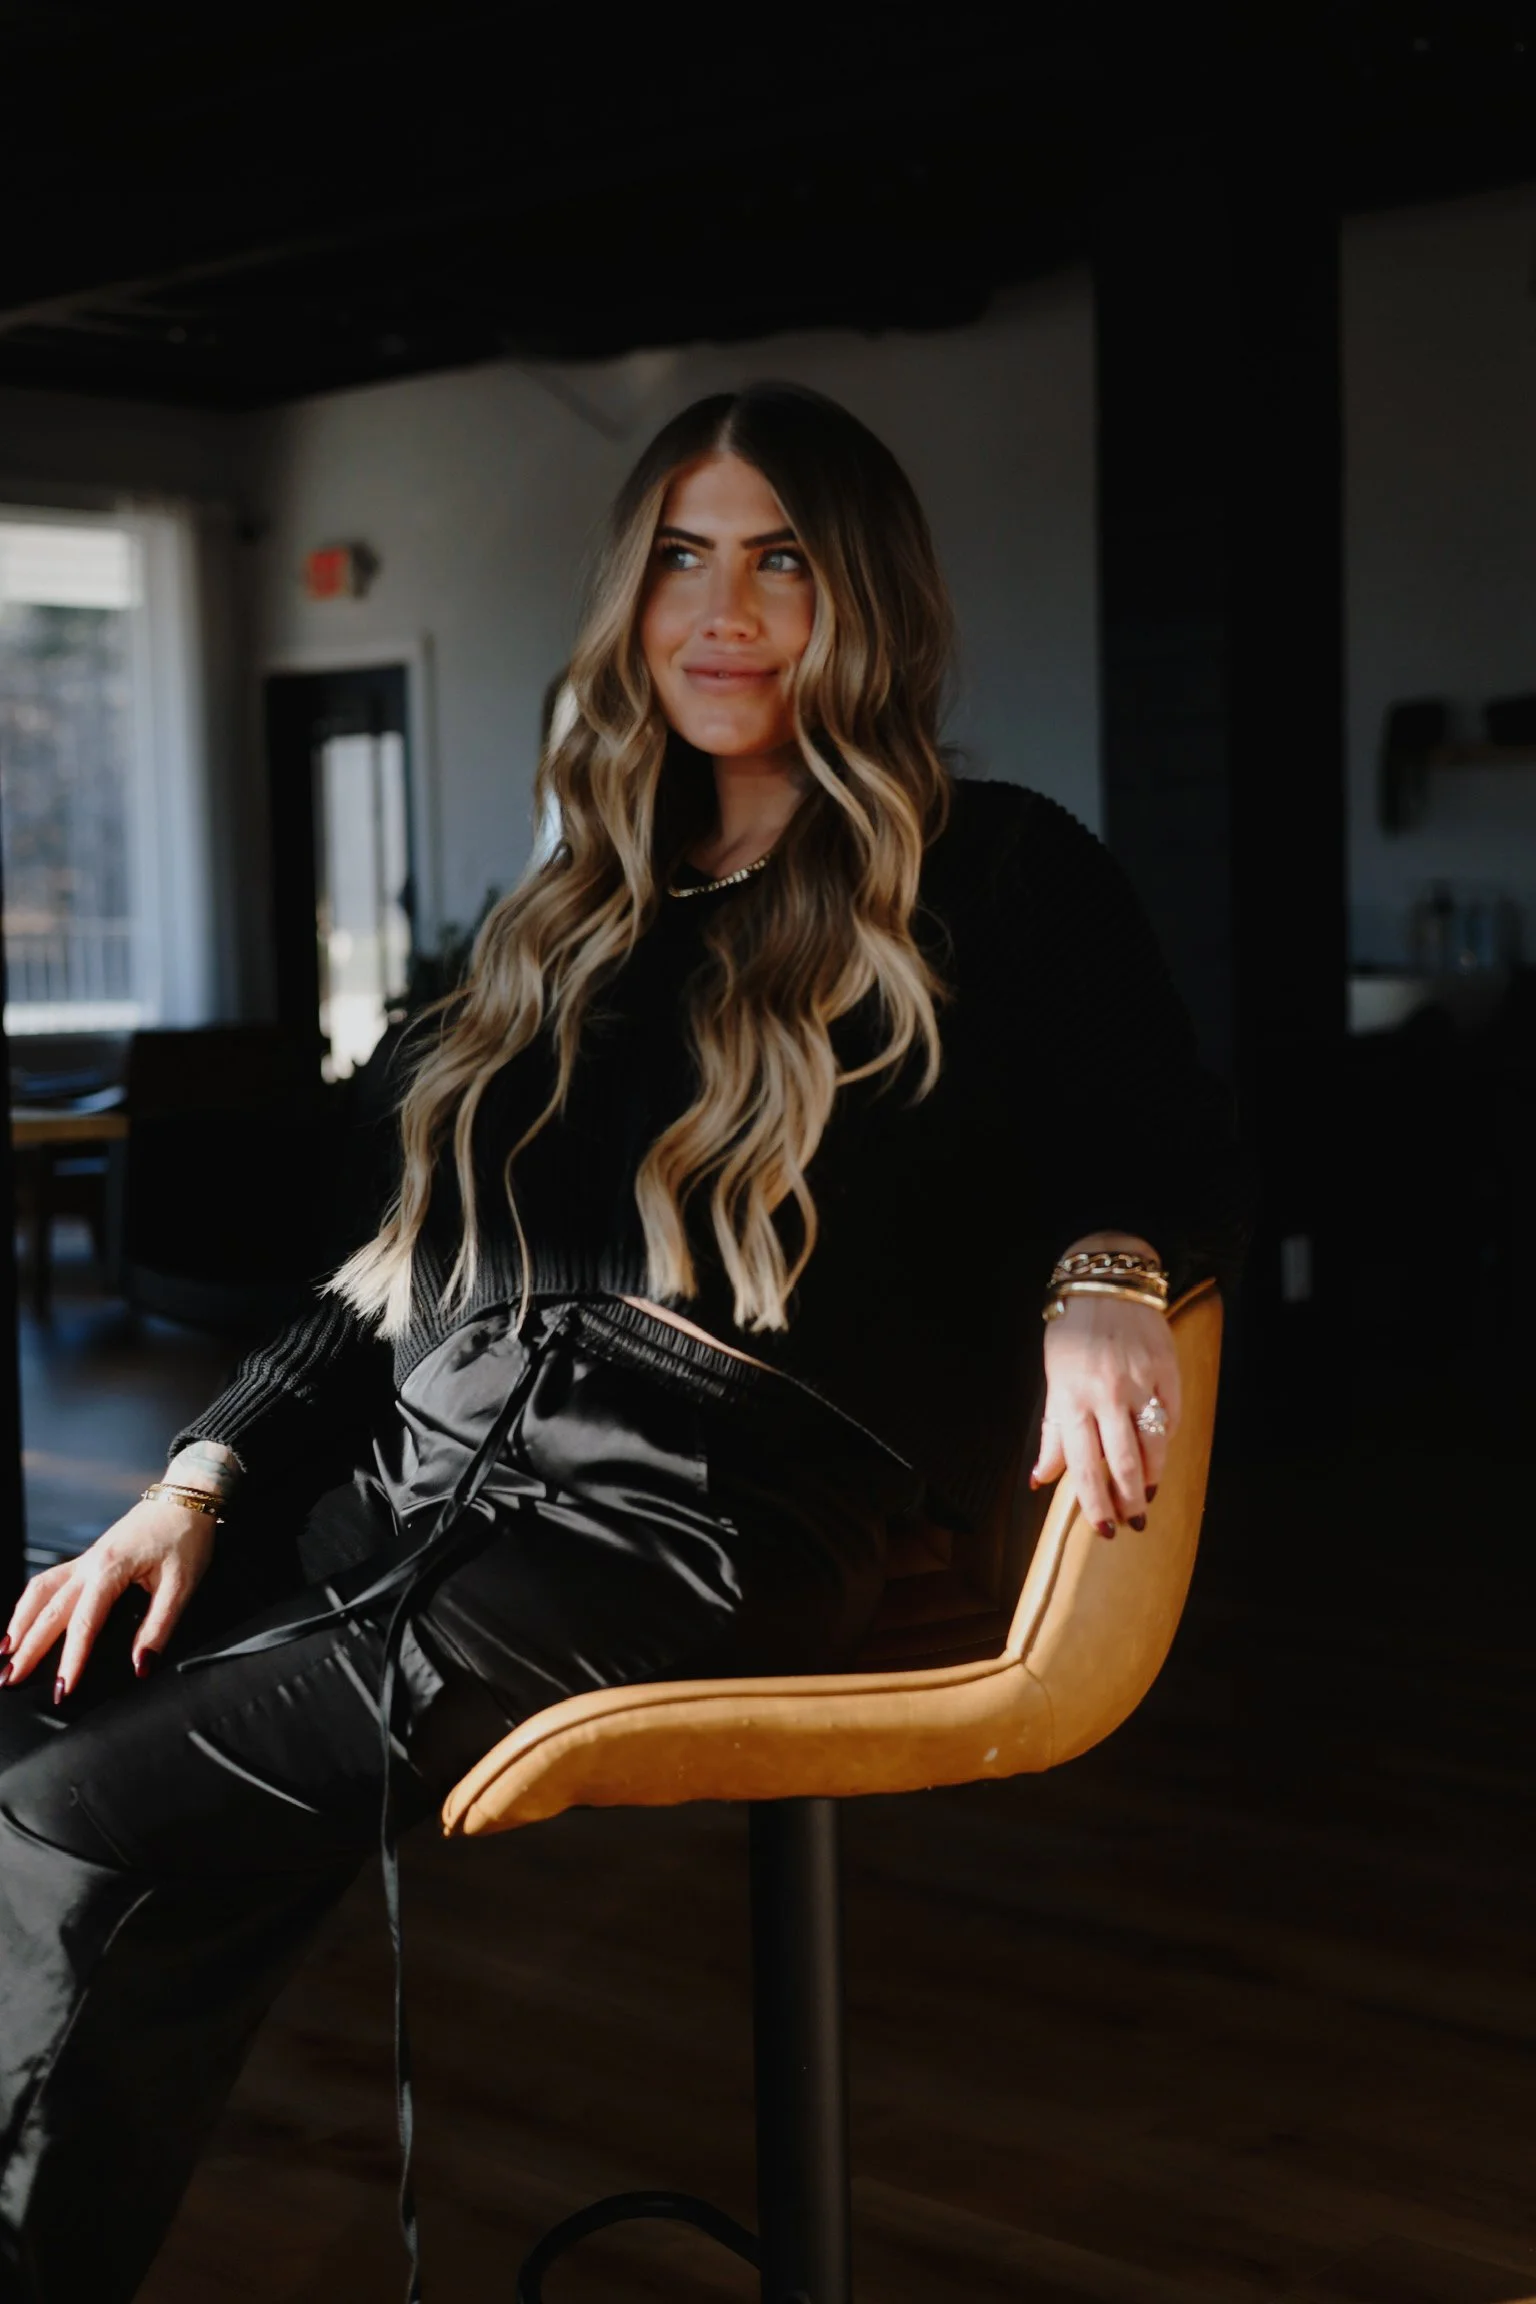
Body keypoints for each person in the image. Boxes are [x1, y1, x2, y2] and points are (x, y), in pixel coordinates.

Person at [0, 383, 1239, 2303]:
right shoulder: (561, 918)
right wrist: (199, 1476)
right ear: (630, 600)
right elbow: (383, 1266)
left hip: (680, 1524)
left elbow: (1168, 1139)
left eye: (779, 563)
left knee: (68, 1804)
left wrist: (1103, 1271)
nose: (720, 611)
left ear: (867, 604)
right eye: (680, 556)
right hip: (414, 1478)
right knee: (34, 1701)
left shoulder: (997, 869)